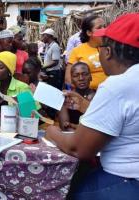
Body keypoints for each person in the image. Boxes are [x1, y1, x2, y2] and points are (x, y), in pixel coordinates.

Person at [46, 13, 139, 199]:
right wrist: (88, 107)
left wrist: (51, 131)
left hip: (125, 179)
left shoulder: (117, 85)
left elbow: (78, 149)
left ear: (108, 52)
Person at [0, 51, 32, 124]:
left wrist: (13, 116)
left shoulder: (23, 88)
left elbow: (33, 116)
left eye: (0, 67)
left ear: (9, 70)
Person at [66, 15, 107, 90]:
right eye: (99, 27)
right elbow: (68, 78)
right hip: (88, 95)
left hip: (110, 93)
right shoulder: (77, 51)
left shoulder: (111, 48)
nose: (104, 29)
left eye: (104, 26)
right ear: (89, 32)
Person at [58, 62, 95, 131]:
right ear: (71, 79)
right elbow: (65, 127)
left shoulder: (98, 96)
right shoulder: (65, 98)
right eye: (76, 75)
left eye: (85, 74)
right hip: (72, 137)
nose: (81, 78)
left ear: (91, 77)